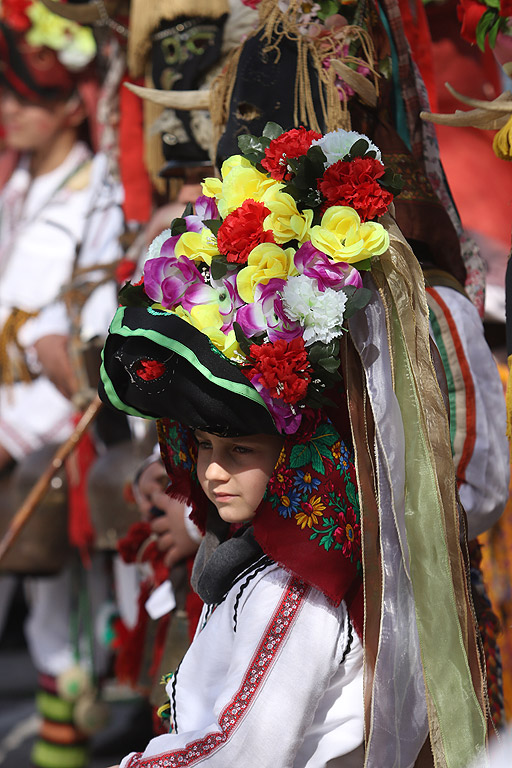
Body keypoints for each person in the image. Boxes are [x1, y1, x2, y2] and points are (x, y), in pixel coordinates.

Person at [99, 124, 489, 767]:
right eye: (202, 445)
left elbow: (240, 749)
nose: (213, 472)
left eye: (241, 451)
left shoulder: (292, 594)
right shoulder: (253, 567)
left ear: (296, 461)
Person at [0, 4, 124, 766]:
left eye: (26, 97)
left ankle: (63, 749)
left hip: (46, 432)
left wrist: (18, 432)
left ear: (68, 105)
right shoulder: (13, 188)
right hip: (7, 423)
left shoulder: (92, 197)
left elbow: (84, 329)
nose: (9, 112)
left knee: (58, 612)